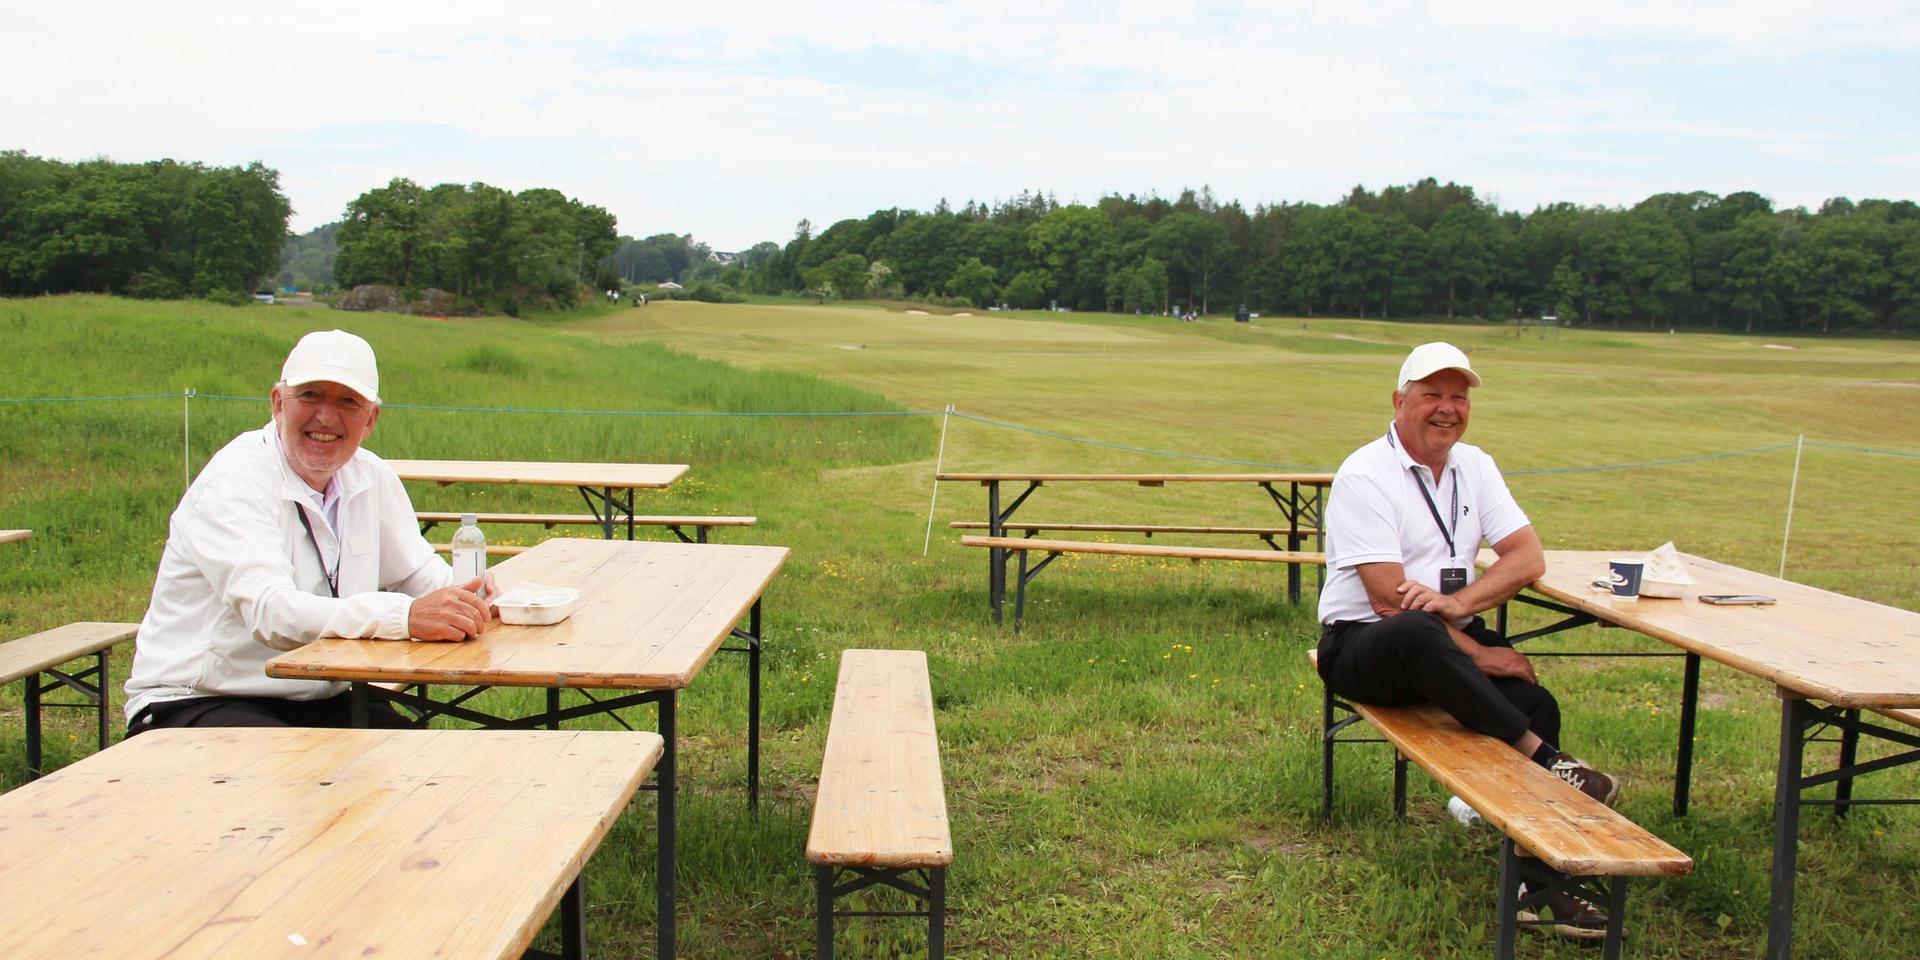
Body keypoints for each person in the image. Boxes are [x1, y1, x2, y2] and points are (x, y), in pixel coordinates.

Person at [1315, 341, 1619, 939]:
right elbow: (1384, 596)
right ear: (1400, 401)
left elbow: (1526, 557)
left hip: (1443, 634)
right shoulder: (1364, 473)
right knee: (1415, 626)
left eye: (1459, 396)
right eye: (1432, 395)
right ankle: (1549, 762)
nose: (1446, 408)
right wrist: (1478, 650)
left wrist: (1460, 605)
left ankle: (1541, 883)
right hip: (1364, 644)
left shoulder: (1475, 465)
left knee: (1537, 702)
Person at [124, 330, 495, 733]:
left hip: (321, 694)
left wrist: (471, 595)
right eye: (310, 396)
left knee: (418, 765)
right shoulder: (235, 482)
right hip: (198, 698)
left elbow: (416, 572)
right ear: (277, 403)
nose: (326, 417)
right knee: (294, 778)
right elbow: (271, 612)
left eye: (347, 401)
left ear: (370, 419)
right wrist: (404, 616)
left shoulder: (370, 476)